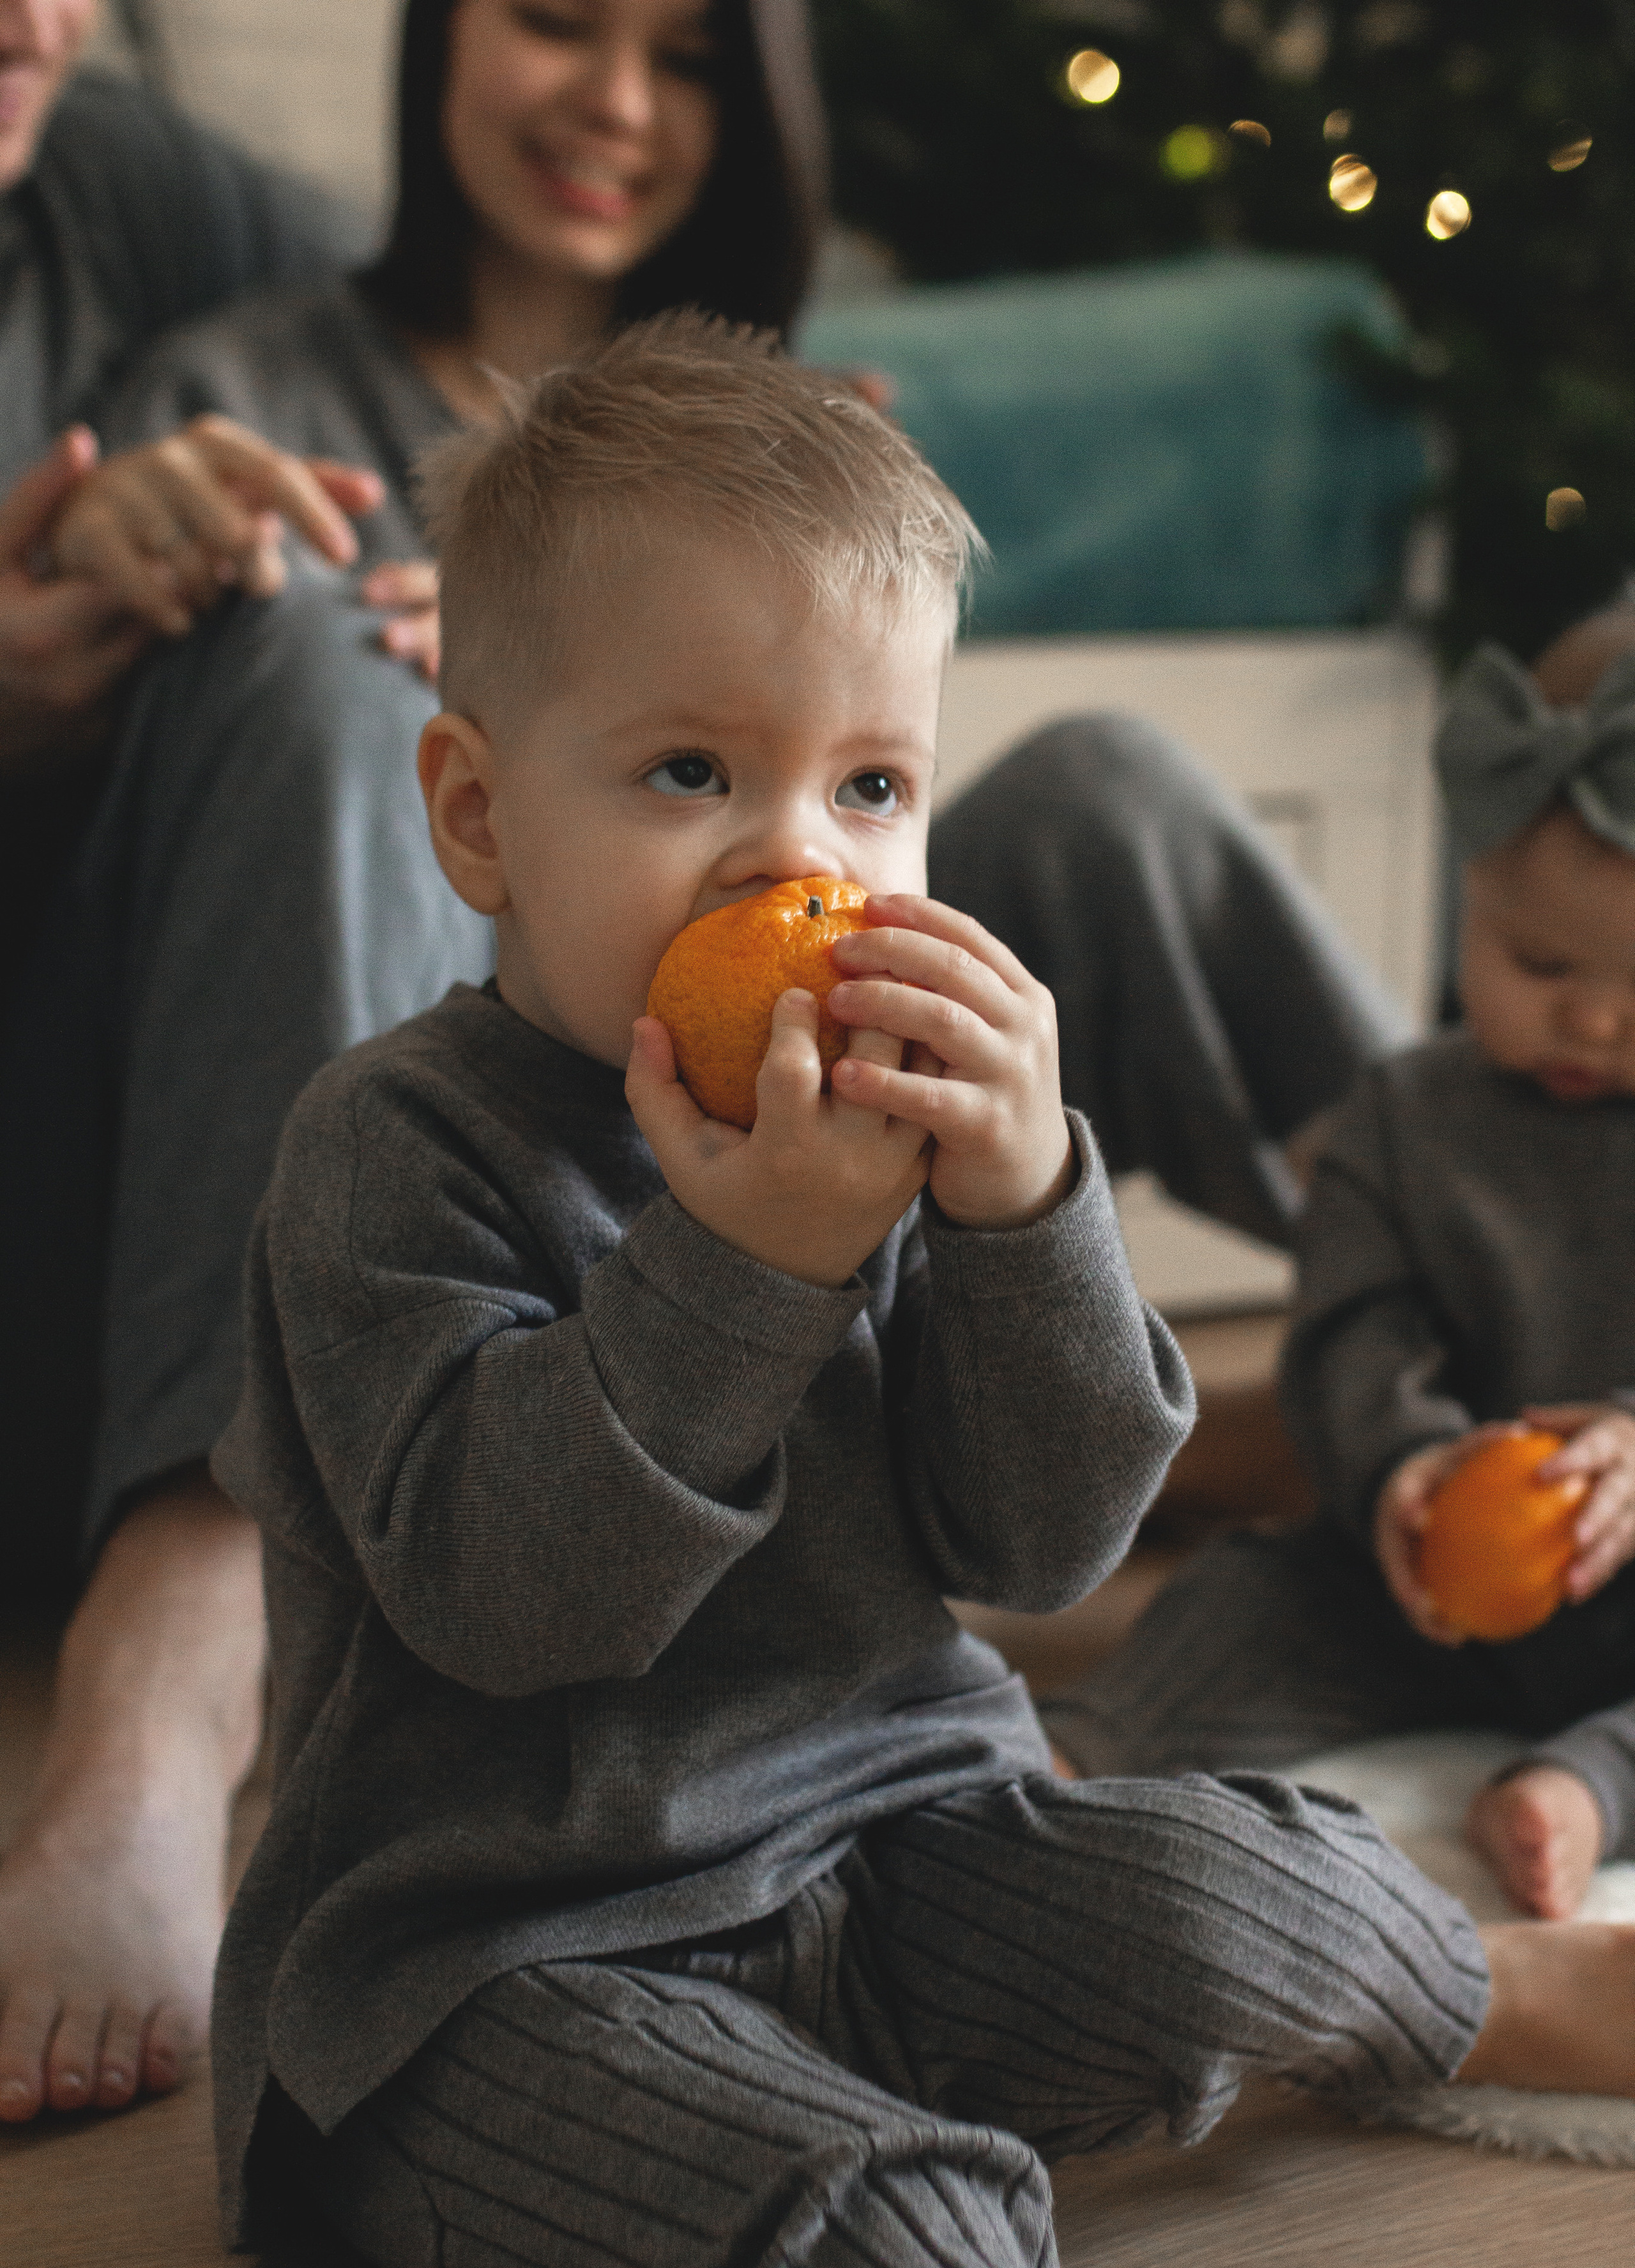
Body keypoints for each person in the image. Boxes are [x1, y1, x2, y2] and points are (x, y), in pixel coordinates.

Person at [211, 312, 1631, 2268]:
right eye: (693, 772)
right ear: (482, 814)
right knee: (861, 2211)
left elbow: (1044, 1541)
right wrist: (747, 1265)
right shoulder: (388, 1156)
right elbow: (516, 1603)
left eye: (872, 786)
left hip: (888, 1856)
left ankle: (1479, 1994)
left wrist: (1029, 1208)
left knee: (1248, 1879)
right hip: (498, 1972)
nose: (805, 863)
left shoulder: (890, 1120)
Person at [0, 0, 1403, 2128]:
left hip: (775, 1114)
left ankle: (1498, 1300)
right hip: (488, 1067)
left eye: (689, 59)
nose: (615, 102)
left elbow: (844, 813)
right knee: (309, 687)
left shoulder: (789, 415)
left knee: (1102, 793)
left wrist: (779, 722)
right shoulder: (246, 376)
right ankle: (176, 1683)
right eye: (557, 22)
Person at [1041, 605, 1635, 1929]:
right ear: (1463, 895)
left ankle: (1583, 1783)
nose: (1588, 1017)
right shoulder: (1406, 1117)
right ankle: (1078, 1755)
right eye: (1535, 962)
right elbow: (1356, 1327)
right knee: (1244, 1601)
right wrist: (1401, 1469)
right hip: (1421, 1567)